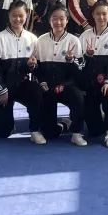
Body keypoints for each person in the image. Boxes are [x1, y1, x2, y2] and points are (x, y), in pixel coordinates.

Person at [0, 0, 45, 144]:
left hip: (22, 85)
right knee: (2, 132)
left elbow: (35, 69)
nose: (17, 19)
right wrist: (2, 90)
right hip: (3, 89)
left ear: (27, 15)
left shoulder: (32, 38)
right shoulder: (0, 38)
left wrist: (31, 66)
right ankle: (7, 122)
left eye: (21, 15)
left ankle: (34, 130)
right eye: (14, 15)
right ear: (9, 16)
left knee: (37, 91)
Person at [34, 8, 87, 146]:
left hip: (66, 86)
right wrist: (41, 82)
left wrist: (71, 61)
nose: (58, 22)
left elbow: (79, 71)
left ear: (67, 20)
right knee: (50, 134)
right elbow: (37, 68)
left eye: (62, 18)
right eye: (55, 18)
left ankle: (76, 133)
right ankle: (64, 125)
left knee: (78, 98)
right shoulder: (41, 40)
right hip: (47, 88)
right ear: (49, 20)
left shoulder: (74, 41)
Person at [78, 2, 108, 147]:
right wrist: (87, 56)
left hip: (107, 81)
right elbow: (80, 63)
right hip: (90, 83)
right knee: (94, 131)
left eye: (104, 14)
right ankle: (102, 121)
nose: (101, 17)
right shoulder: (85, 36)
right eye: (98, 14)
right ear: (93, 15)